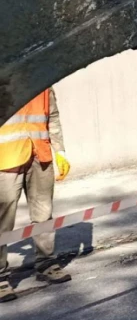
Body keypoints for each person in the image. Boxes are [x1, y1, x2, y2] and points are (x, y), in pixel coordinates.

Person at [0, 87, 71, 302]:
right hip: (5, 157)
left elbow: (53, 115)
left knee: (43, 213)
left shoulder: (43, 78)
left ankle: (46, 263)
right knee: (3, 219)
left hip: (39, 154)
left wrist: (60, 151)